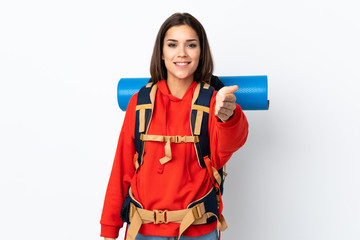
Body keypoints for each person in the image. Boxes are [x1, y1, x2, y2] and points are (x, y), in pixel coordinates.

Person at [100, 13, 249, 240]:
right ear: (161, 52)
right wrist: (109, 230)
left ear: (201, 52)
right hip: (144, 230)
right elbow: (122, 169)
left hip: (198, 231)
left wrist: (228, 115)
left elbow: (228, 147)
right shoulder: (140, 103)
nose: (182, 53)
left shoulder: (213, 101)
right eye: (172, 45)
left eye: (191, 45)